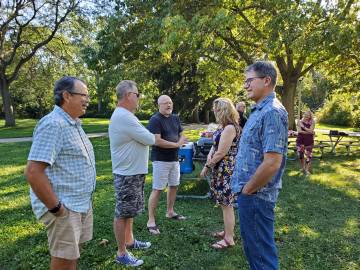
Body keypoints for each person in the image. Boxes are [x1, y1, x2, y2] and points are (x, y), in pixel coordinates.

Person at [25, 76, 96, 270]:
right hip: (65, 206)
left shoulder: (73, 123)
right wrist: (56, 208)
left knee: (72, 255)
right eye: (84, 95)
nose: (88, 100)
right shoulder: (53, 124)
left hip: (80, 203)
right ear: (66, 95)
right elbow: (33, 172)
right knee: (63, 261)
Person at [231, 61, 288, 270]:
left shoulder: (272, 112)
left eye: (249, 80)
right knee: (255, 252)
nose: (245, 86)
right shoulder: (259, 110)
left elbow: (272, 162)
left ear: (267, 80)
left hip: (256, 196)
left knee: (261, 256)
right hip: (251, 194)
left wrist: (248, 190)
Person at [109, 80, 156, 267]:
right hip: (127, 174)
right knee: (122, 213)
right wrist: (149, 137)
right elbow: (149, 138)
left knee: (130, 211)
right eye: (137, 95)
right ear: (129, 95)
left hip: (133, 173)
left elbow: (145, 139)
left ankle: (130, 241)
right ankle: (121, 253)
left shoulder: (126, 115)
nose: (139, 98)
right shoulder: (124, 116)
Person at [200, 98, 241, 249]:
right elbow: (215, 147)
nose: (214, 112)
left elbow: (221, 152)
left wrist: (206, 166)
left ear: (223, 110)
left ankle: (229, 238)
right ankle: (227, 231)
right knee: (224, 204)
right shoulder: (222, 126)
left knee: (226, 204)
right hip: (220, 167)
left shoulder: (230, 128)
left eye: (216, 109)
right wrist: (209, 159)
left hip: (226, 168)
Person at [146, 95, 188, 235]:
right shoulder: (155, 120)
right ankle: (151, 220)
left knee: (174, 185)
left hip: (174, 159)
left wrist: (180, 141)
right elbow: (157, 141)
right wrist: (176, 144)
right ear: (159, 105)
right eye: (165, 103)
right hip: (160, 160)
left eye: (170, 102)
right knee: (158, 188)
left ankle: (170, 212)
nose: (168, 105)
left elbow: (182, 133)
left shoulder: (175, 117)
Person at [296, 110, 315, 175]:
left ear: (310, 116)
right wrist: (309, 131)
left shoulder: (312, 122)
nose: (307, 116)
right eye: (305, 115)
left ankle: (307, 169)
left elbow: (311, 130)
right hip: (300, 140)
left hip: (309, 141)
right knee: (300, 155)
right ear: (303, 115)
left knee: (308, 155)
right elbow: (299, 131)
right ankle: (303, 167)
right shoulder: (299, 122)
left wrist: (303, 126)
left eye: (308, 115)